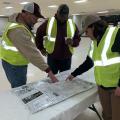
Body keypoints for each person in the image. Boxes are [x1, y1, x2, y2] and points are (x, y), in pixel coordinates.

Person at [66, 15, 120, 120]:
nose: (86, 35)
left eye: (87, 31)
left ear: (94, 27)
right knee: (107, 115)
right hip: (102, 86)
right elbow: (89, 62)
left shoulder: (115, 34)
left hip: (116, 87)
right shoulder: (94, 42)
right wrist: (74, 74)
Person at [0, 2, 58, 88]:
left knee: (19, 86)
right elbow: (32, 54)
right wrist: (49, 72)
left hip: (13, 61)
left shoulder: (19, 24)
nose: (36, 20)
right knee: (20, 88)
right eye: (35, 17)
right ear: (26, 14)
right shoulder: (18, 30)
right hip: (15, 65)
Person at [35, 4, 80, 74]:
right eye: (61, 16)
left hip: (67, 57)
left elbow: (77, 38)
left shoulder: (72, 24)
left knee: (65, 77)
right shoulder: (49, 22)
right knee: (52, 77)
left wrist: (73, 42)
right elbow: (38, 34)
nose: (62, 18)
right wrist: (41, 48)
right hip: (52, 57)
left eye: (64, 16)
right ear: (57, 13)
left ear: (67, 15)